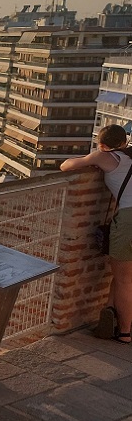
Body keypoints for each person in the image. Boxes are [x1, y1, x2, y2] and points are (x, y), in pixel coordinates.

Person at [60, 124, 132, 343]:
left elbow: (67, 165)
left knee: (124, 280)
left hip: (129, 219)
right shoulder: (129, 156)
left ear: (101, 144)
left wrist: (94, 157)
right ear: (124, 142)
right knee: (125, 278)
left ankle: (126, 333)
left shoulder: (104, 156)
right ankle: (110, 313)